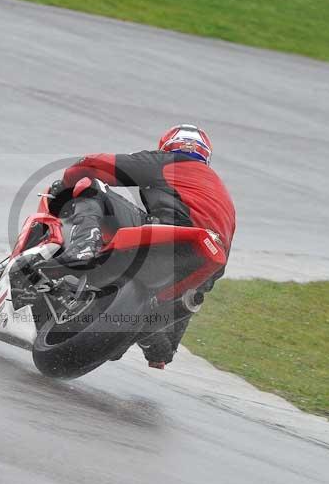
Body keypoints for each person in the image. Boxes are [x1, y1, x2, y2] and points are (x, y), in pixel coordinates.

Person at [50, 124, 236, 369]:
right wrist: (166, 346)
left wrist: (66, 184)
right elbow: (203, 285)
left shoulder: (168, 161)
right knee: (190, 298)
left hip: (171, 232)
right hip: (204, 262)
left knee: (92, 188)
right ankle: (152, 341)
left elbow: (97, 166)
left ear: (168, 146)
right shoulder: (223, 196)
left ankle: (84, 246)